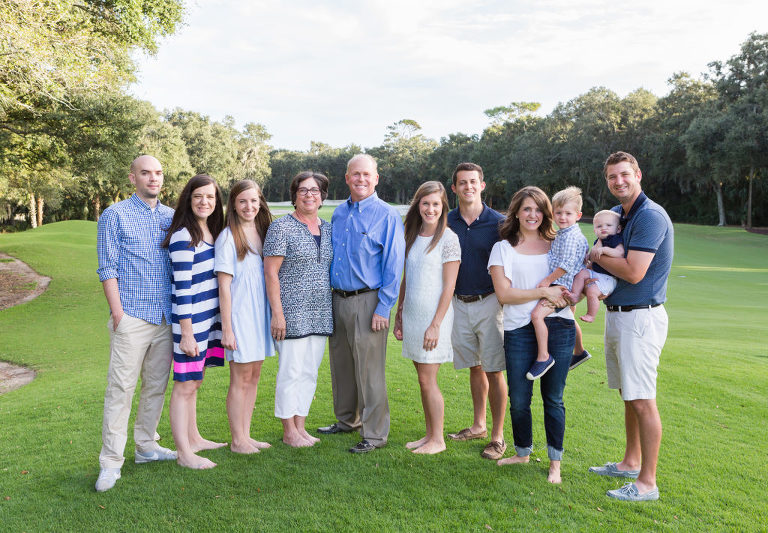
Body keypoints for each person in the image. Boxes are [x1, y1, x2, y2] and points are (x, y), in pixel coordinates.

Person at [587, 151, 673, 502]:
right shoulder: (620, 216)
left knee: (643, 400)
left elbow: (636, 271)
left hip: (641, 316)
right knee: (628, 394)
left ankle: (647, 483)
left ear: (639, 174)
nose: (618, 181)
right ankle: (629, 463)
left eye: (625, 174)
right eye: (612, 177)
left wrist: (600, 256)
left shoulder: (649, 216)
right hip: (619, 313)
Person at [95, 155, 178, 492]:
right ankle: (111, 463)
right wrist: (118, 314)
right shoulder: (114, 215)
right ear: (133, 178)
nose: (153, 178)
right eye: (146, 173)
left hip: (166, 318)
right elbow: (107, 266)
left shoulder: (173, 217)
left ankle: (146, 447)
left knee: (156, 386)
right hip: (132, 317)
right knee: (120, 390)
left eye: (158, 173)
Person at [318, 154, 405, 453]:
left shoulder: (387, 215)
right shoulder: (339, 214)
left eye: (367, 174)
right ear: (347, 178)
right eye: (355, 174)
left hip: (368, 300)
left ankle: (375, 433)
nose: (361, 179)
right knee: (341, 365)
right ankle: (346, 420)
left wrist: (384, 307)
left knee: (369, 371)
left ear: (376, 178)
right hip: (337, 298)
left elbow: (394, 266)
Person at [488, 186, 574, 484]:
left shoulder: (557, 243)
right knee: (520, 399)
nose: (533, 215)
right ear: (516, 212)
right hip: (518, 331)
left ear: (546, 213)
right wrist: (543, 292)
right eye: (527, 209)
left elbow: (571, 280)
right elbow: (504, 294)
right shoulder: (503, 248)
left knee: (553, 398)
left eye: (538, 209)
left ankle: (555, 463)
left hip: (558, 326)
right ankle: (522, 451)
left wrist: (564, 296)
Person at [264, 171, 333, 448]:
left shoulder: (328, 229)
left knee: (309, 371)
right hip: (291, 311)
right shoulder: (280, 228)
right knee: (290, 371)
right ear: (294, 196)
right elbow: (270, 273)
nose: (309, 195)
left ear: (322, 197)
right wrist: (277, 314)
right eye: (303, 190)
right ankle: (288, 430)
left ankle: (301, 426)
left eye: (314, 190)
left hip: (320, 312)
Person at [445, 162, 508, 461]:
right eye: (462, 183)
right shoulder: (447, 221)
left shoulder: (499, 223)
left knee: (494, 369)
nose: (468, 187)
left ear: (482, 185)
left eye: (473, 182)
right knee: (475, 366)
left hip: (491, 302)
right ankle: (478, 425)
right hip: (459, 303)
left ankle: (497, 437)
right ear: (454, 188)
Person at [163, 174, 227, 469]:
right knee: (185, 385)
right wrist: (186, 334)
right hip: (189, 325)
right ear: (189, 199)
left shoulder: (211, 232)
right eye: (199, 196)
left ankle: (195, 438)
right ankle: (183, 453)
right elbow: (181, 288)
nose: (205, 202)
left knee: (195, 381)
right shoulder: (183, 236)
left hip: (207, 321)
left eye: (211, 197)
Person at [393, 181, 461, 455]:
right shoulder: (411, 234)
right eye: (425, 203)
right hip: (412, 314)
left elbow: (449, 286)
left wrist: (435, 325)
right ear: (418, 205)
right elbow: (407, 278)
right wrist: (399, 313)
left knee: (428, 379)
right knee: (422, 378)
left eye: (435, 204)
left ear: (443, 207)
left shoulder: (449, 238)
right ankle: (429, 434)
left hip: (435, 320)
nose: (430, 209)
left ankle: (438, 440)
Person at [215, 179, 274, 454]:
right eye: (242, 201)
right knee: (240, 378)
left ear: (260, 202)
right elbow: (224, 287)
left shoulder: (264, 232)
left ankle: (247, 435)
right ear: (234, 206)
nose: (249, 206)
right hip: (240, 316)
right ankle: (237, 439)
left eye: (254, 200)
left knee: (254, 375)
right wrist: (227, 329)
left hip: (260, 313)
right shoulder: (228, 237)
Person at [527, 186, 588, 380]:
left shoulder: (571, 236)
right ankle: (580, 351)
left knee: (537, 316)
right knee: (569, 317)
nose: (562, 217)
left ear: (578, 215)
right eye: (558, 213)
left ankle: (543, 356)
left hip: (561, 287)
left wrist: (547, 281)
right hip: (566, 285)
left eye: (568, 213)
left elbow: (567, 264)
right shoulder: (563, 233)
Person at [569, 210, 624, 323]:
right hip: (597, 273)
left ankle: (591, 315)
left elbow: (620, 253)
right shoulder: (599, 241)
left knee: (592, 291)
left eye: (608, 225)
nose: (604, 228)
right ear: (595, 230)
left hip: (609, 278)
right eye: (599, 226)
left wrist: (604, 250)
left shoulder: (615, 240)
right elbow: (594, 257)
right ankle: (575, 295)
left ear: (618, 229)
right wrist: (588, 257)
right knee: (581, 273)